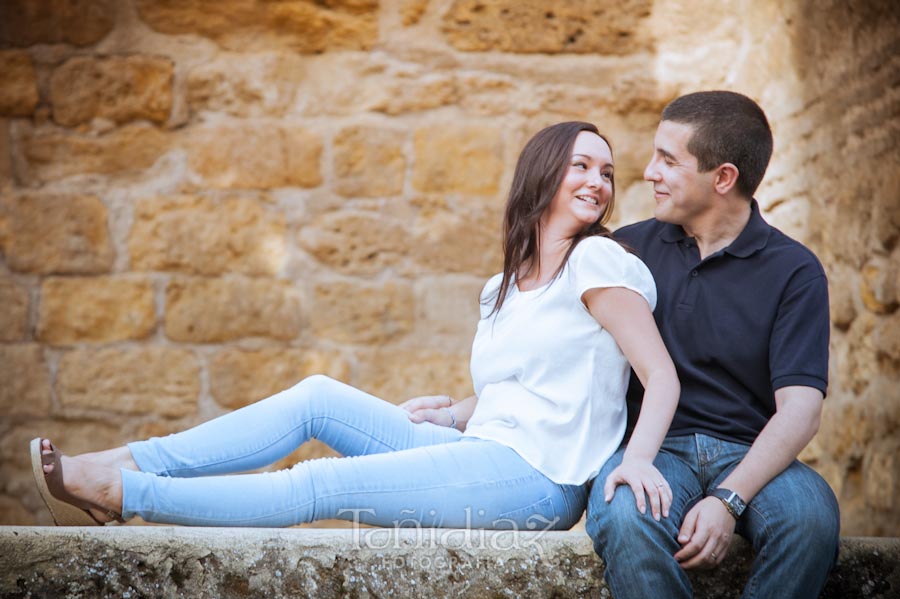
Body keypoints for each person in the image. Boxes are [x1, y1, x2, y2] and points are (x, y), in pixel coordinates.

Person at [31, 121, 679, 530]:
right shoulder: (502, 286)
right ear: (542, 175)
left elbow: (658, 376)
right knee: (317, 396)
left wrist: (640, 461)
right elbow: (533, 383)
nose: (598, 181)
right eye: (581, 165)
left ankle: (126, 492)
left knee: (321, 483)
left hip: (540, 482)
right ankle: (125, 459)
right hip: (476, 447)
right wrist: (451, 412)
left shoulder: (598, 262)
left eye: (607, 172)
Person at [581, 91, 840, 598]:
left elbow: (801, 410)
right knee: (623, 516)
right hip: (653, 449)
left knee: (810, 519)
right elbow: (560, 357)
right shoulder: (625, 253)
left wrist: (729, 500)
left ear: (723, 178)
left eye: (668, 160)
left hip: (753, 456)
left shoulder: (795, 271)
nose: (649, 172)